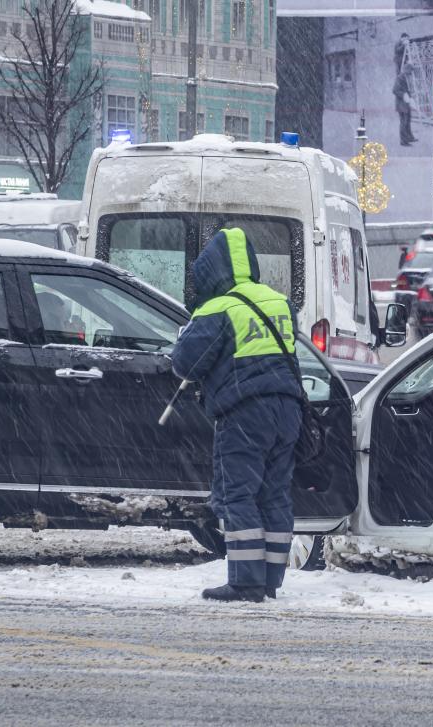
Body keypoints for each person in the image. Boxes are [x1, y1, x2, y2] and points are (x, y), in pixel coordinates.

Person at [172, 228, 303, 603]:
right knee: (274, 495)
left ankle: (245, 582)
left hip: (246, 412)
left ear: (212, 270)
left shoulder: (218, 308)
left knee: (237, 495)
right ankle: (270, 579)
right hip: (288, 409)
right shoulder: (279, 302)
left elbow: (186, 364)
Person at [393, 65, 417, 146]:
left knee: (408, 121)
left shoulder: (405, 77)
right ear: (406, 70)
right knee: (404, 122)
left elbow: (406, 90)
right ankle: (403, 141)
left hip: (406, 103)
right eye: (410, 71)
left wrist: (410, 97)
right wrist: (404, 95)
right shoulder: (400, 78)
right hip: (401, 104)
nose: (411, 73)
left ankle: (409, 137)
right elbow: (395, 90)